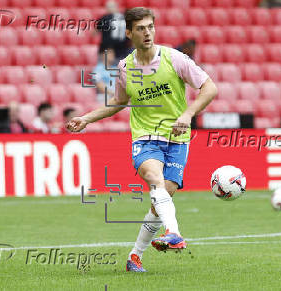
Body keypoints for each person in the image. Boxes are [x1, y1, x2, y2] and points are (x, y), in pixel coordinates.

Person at [67, 7, 217, 272]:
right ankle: (174, 233)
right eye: (140, 28)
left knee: (161, 200)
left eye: (150, 27)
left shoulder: (174, 59)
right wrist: (87, 119)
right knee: (155, 180)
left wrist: (188, 113)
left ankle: (135, 256)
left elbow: (210, 87)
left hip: (178, 140)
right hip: (145, 138)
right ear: (129, 33)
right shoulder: (125, 67)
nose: (147, 33)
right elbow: (119, 102)